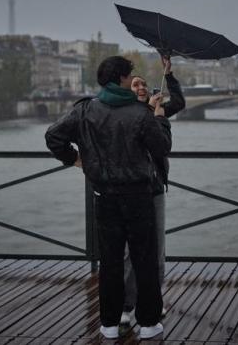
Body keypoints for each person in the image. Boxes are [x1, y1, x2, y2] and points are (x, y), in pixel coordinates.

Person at [45, 56, 170, 340]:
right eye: (130, 75)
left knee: (111, 262)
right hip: (138, 197)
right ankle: (149, 323)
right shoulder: (140, 114)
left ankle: (109, 324)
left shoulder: (86, 110)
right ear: (122, 79)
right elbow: (162, 148)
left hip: (104, 197)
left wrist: (77, 160)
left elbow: (53, 137)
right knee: (144, 260)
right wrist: (159, 117)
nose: (131, 79)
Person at [122, 55, 185, 325]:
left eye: (144, 84)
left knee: (157, 249)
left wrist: (169, 75)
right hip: (131, 188)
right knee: (128, 251)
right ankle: (127, 303)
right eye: (135, 84)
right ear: (127, 90)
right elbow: (157, 144)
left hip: (155, 187)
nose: (142, 87)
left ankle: (153, 300)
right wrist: (155, 115)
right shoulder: (125, 115)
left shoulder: (155, 109)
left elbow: (180, 103)